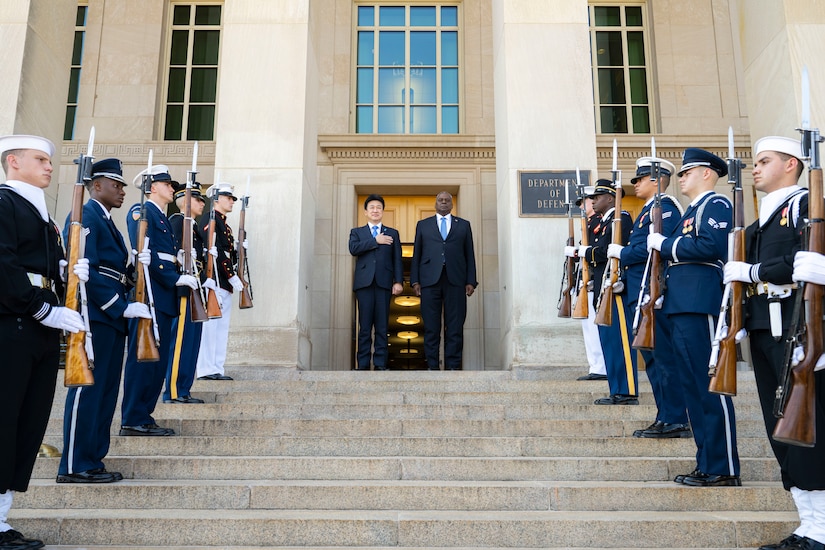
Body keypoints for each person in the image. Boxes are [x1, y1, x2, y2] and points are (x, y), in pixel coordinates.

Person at [727, 136, 825, 549]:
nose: (755, 168)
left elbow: (806, 260)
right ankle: (808, 524)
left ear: (791, 165)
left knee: (807, 430)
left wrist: (753, 272)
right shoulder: (760, 221)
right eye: (755, 162)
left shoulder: (806, 206)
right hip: (766, 331)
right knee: (779, 428)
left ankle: (820, 530)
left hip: (799, 329)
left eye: (764, 161)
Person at [0, 135, 86, 550]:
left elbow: (43, 267)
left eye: (50, 161)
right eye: (40, 159)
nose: (50, 166)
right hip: (14, 322)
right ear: (13, 162)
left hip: (37, 327)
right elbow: (4, 264)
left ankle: (1, 520)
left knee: (27, 424)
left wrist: (70, 271)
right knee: (4, 421)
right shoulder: (4, 202)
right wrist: (40, 307)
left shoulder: (40, 211)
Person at [648, 147, 740, 486]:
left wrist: (665, 245)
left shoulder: (716, 204)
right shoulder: (691, 211)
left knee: (707, 386)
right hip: (680, 302)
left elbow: (710, 247)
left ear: (706, 173)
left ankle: (723, 466)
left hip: (700, 302)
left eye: (688, 171)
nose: (681, 177)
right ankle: (707, 462)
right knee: (691, 388)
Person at [57, 158, 152, 483]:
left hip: (111, 319)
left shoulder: (106, 220)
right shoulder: (85, 216)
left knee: (107, 391)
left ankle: (93, 459)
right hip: (96, 315)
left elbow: (115, 271)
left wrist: (137, 267)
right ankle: (74, 464)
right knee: (89, 390)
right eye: (116, 185)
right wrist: (118, 305)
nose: (122, 191)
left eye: (123, 185)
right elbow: (85, 267)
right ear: (96, 185)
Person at [610, 157, 690, 437]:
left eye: (640, 179)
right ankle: (665, 414)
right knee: (653, 358)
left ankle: (675, 417)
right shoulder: (647, 211)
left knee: (663, 357)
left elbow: (654, 249)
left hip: (653, 293)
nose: (636, 184)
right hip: (639, 292)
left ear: (656, 181)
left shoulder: (664, 208)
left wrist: (622, 253)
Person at [121, 166, 199, 436]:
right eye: (166, 184)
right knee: (143, 360)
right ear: (152, 187)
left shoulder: (163, 218)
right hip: (150, 293)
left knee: (158, 361)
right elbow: (144, 251)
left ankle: (144, 414)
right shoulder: (141, 211)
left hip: (164, 299)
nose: (171, 188)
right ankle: (133, 416)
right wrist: (173, 278)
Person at [578, 181, 636, 404]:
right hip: (604, 289)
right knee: (610, 343)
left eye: (598, 196)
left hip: (615, 288)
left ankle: (627, 390)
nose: (593, 200)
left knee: (620, 341)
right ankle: (617, 389)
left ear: (611, 198)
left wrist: (587, 252)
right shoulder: (605, 222)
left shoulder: (620, 218)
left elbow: (610, 251)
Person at [410, 191, 478, 370]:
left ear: (452, 204)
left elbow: (469, 254)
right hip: (429, 282)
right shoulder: (423, 225)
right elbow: (417, 254)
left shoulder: (463, 225)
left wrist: (471, 280)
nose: (444, 203)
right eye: (440, 200)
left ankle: (453, 366)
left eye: (447, 200)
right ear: (435, 204)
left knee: (455, 327)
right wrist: (415, 281)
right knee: (431, 328)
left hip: (455, 281)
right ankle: (432, 366)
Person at [348, 194, 404, 370]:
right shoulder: (357, 232)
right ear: (365, 212)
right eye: (371, 207)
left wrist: (399, 281)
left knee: (381, 326)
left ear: (382, 211)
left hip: (384, 284)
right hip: (364, 284)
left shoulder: (392, 233)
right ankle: (363, 364)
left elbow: (397, 260)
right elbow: (353, 249)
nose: (375, 210)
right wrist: (375, 241)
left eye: (378, 207)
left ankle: (380, 364)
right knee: (365, 327)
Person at [196, 182, 244, 381]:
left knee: (221, 328)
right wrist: (231, 275)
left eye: (232, 198)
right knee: (210, 328)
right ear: (216, 199)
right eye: (228, 198)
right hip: (214, 280)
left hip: (224, 283)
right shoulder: (210, 218)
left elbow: (226, 252)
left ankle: (217, 367)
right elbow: (213, 251)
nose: (232, 201)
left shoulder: (224, 223)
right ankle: (206, 369)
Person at [164, 180, 207, 402]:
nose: (202, 203)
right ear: (186, 202)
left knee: (191, 342)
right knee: (180, 341)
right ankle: (173, 390)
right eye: (198, 199)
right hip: (183, 290)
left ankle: (184, 388)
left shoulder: (193, 227)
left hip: (196, 289)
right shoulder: (177, 222)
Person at [570, 196, 607, 381]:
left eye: (583, 203)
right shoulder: (589, 223)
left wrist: (579, 252)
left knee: (594, 327)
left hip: (592, 281)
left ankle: (600, 367)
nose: (581, 207)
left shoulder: (598, 223)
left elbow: (596, 250)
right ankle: (595, 365)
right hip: (585, 281)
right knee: (588, 327)